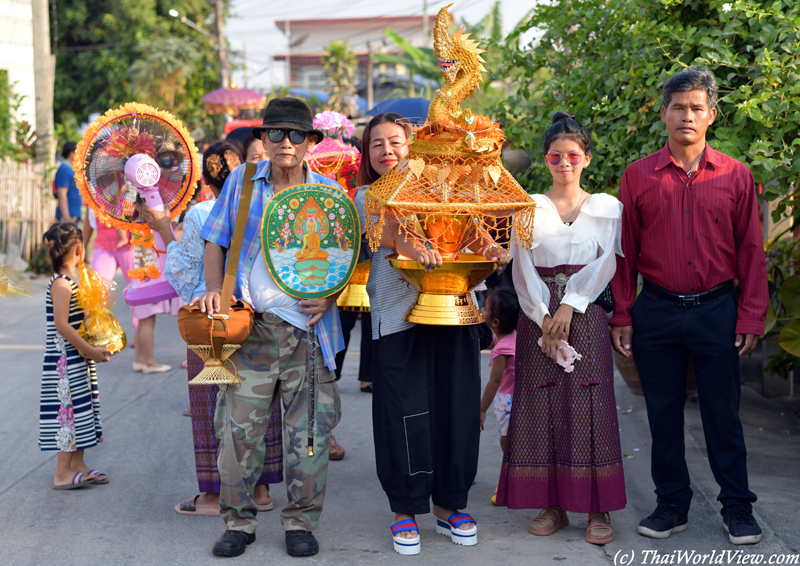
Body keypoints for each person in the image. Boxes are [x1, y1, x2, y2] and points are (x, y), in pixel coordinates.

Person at [609, 68, 769, 545]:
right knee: (663, 413)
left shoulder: (737, 176)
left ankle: (737, 507)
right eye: (678, 106)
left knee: (724, 412)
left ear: (711, 116)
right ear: (664, 114)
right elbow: (625, 253)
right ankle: (671, 504)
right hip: (655, 309)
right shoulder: (637, 177)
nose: (687, 115)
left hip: (716, 309)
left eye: (696, 107)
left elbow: (751, 252)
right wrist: (622, 313)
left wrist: (750, 315)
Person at [354, 113, 508, 555]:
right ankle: (404, 508)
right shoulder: (369, 195)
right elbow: (389, 234)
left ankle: (450, 504)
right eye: (377, 144)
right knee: (403, 412)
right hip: (398, 319)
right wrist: (414, 247)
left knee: (457, 406)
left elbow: (472, 231)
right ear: (369, 155)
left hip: (456, 312)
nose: (387, 150)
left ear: (414, 145)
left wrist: (490, 248)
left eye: (396, 142)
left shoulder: (451, 187)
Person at [197, 97, 344, 558]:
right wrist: (216, 293)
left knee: (311, 436)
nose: (285, 143)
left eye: (296, 134)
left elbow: (344, 260)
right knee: (237, 435)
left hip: (309, 333)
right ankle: (238, 523)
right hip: (251, 330)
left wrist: (330, 296)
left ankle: (301, 522)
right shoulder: (240, 182)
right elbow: (215, 243)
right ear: (262, 138)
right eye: (275, 133)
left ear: (311, 142)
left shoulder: (329, 194)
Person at [497, 112, 625, 545]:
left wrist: (569, 305)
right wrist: (542, 315)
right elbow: (521, 266)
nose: (564, 162)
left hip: (585, 314)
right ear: (546, 160)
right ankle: (551, 503)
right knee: (540, 406)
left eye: (573, 155)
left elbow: (606, 262)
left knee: (590, 405)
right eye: (556, 155)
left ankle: (595, 505)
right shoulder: (529, 207)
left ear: (586, 158)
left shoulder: (607, 208)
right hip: (538, 316)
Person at [142, 140, 283, 517]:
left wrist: (163, 230)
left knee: (211, 409)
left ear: (206, 178)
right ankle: (263, 489)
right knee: (262, 404)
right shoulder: (272, 207)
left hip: (214, 323)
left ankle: (212, 494)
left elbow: (187, 277)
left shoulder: (204, 212)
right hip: (261, 318)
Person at [39, 223, 110, 489]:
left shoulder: (75, 280)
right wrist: (90, 350)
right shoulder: (61, 284)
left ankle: (78, 464)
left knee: (82, 408)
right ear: (79, 248)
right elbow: (62, 325)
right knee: (66, 412)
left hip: (77, 357)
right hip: (64, 361)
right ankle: (61, 472)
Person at [478, 287, 519, 468]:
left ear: (494, 321)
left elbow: (494, 382)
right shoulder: (512, 336)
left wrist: (481, 410)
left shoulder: (502, 351)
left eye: (485, 309)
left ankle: (510, 478)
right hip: (518, 398)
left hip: (506, 402)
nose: (482, 310)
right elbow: (494, 339)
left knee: (506, 441)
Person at [55, 142, 83, 224]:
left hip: (72, 216)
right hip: (67, 219)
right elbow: (62, 195)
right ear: (72, 153)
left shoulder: (70, 169)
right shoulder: (64, 170)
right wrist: (67, 218)